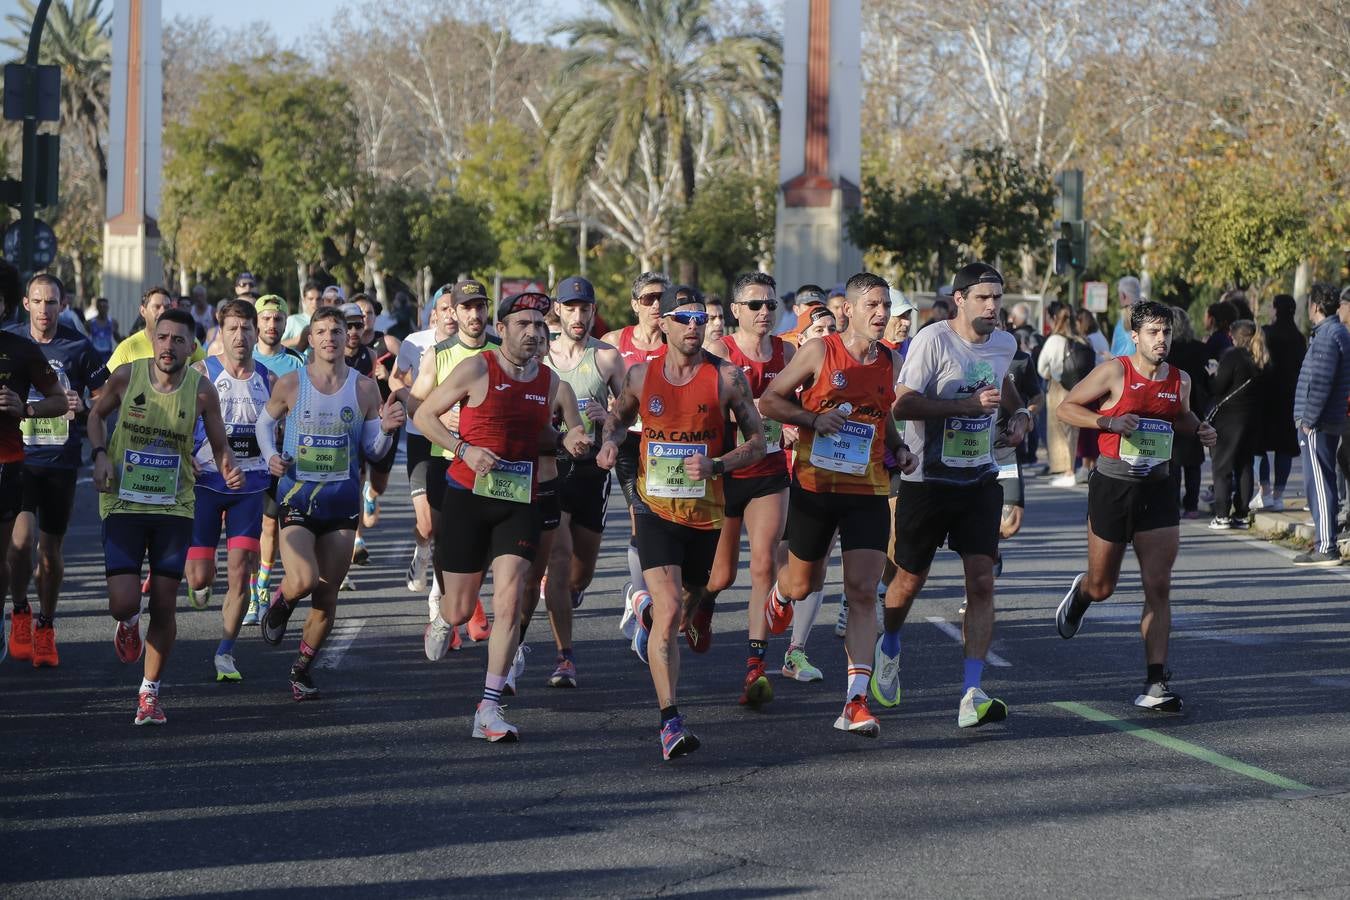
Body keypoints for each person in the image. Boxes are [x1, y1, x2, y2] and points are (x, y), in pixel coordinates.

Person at [597, 284, 765, 759]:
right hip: (654, 506)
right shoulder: (640, 376)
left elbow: (758, 442)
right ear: (664, 323)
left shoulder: (727, 377)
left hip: (706, 514)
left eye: (700, 319)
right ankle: (670, 721)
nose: (694, 327)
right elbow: (617, 419)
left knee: (688, 602)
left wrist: (717, 465)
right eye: (684, 319)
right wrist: (609, 442)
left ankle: (650, 612)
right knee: (670, 613)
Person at [418, 291, 589, 742]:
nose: (533, 333)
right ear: (503, 328)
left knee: (510, 601)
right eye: (523, 324)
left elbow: (557, 431)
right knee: (460, 609)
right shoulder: (477, 368)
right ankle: (443, 618)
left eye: (539, 326)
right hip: (467, 497)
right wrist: (463, 449)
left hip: (519, 499)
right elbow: (424, 415)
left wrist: (570, 440)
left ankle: (488, 708)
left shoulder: (550, 382)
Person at [759, 272, 914, 739]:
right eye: (872, 305)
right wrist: (811, 419)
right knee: (804, 583)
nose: (881, 314)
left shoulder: (890, 360)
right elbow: (769, 401)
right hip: (816, 488)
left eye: (886, 305)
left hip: (868, 489)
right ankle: (780, 595)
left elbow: (882, 414)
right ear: (848, 308)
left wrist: (899, 447)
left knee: (863, 592)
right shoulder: (819, 352)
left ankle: (855, 701)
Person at [874, 263, 1027, 729]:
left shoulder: (1004, 344)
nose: (992, 306)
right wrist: (965, 405)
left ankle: (971, 692)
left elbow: (1003, 383)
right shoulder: (932, 340)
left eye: (997, 297)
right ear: (959, 299)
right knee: (908, 581)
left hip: (979, 479)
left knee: (981, 582)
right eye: (983, 297)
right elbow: (902, 404)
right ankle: (889, 644)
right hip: (927, 481)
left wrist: (1020, 415)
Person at [1053, 299, 1216, 711]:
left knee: (1158, 585)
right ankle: (1082, 594)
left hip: (1158, 488)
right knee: (1103, 586)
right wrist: (1107, 421)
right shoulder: (1115, 372)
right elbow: (1066, 408)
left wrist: (1200, 429)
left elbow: (1181, 417)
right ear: (1136, 336)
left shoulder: (1180, 379)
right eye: (1153, 333)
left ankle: (1156, 682)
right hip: (1113, 486)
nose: (1162, 340)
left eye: (1167, 332)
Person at [88, 308, 243, 724]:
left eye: (178, 340)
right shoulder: (128, 376)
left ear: (192, 347)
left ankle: (149, 692)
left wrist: (228, 464)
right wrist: (100, 454)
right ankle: (128, 622)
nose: (168, 346)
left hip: (174, 506)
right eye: (162, 337)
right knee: (122, 602)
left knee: (164, 604)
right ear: (152, 339)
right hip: (123, 501)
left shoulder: (202, 391)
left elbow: (220, 445)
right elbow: (96, 416)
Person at [255, 306, 406, 700]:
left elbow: (373, 450)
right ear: (311, 339)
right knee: (304, 579)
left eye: (336, 331)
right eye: (321, 331)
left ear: (346, 337)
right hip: (296, 498)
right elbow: (264, 423)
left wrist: (387, 431)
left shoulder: (365, 388)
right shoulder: (292, 383)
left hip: (341, 505)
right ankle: (284, 599)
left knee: (326, 595)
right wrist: (270, 456)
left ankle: (301, 670)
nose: (329, 338)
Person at [699, 272, 800, 702]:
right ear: (736, 309)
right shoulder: (719, 351)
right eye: (755, 305)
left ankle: (755, 666)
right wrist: (755, 408)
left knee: (763, 565)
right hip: (725, 472)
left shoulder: (788, 351)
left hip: (769, 470)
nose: (764, 312)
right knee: (721, 576)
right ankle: (704, 602)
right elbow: (705, 408)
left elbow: (801, 403)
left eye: (771, 305)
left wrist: (793, 421)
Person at [4, 274, 109, 667]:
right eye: (37, 301)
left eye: (51, 302)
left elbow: (103, 399)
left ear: (63, 305)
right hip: (19, 459)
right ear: (25, 303)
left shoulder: (78, 346)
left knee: (49, 553)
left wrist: (83, 408)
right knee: (19, 543)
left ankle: (46, 625)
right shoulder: (12, 342)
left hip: (60, 462)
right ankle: (19, 611)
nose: (44, 310)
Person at [182, 299, 276, 682]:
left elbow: (280, 430)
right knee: (199, 578)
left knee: (240, 571)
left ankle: (225, 651)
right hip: (206, 484)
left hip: (249, 488)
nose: (239, 336)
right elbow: (178, 420)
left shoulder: (269, 379)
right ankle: (201, 578)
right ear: (220, 332)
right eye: (232, 328)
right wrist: (185, 455)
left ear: (256, 332)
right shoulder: (201, 373)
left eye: (245, 328)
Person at [539, 276, 625, 687]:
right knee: (558, 559)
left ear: (593, 311)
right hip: (550, 466)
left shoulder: (606, 357)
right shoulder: (540, 354)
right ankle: (565, 657)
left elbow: (628, 416)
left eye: (584, 308)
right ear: (557, 309)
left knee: (580, 573)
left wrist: (608, 422)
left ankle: (572, 592)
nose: (578, 316)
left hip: (591, 472)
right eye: (570, 308)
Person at [408, 280, 499, 638]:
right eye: (466, 307)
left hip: (492, 461)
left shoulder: (501, 350)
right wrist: (441, 413)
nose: (474, 314)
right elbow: (415, 404)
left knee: (487, 541)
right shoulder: (438, 354)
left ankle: (468, 600)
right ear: (454, 313)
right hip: (446, 459)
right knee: (445, 541)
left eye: (480, 306)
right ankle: (450, 612)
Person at [600, 273, 670, 625]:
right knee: (638, 516)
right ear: (634, 304)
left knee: (665, 519)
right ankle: (642, 599)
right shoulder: (614, 342)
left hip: (668, 444)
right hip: (630, 440)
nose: (656, 305)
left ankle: (647, 591)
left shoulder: (676, 341)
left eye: (661, 298)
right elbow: (594, 381)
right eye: (648, 299)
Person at [388, 285, 457, 600]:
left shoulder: (480, 347)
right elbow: (395, 378)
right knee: (427, 525)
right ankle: (422, 553)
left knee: (450, 524)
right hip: (421, 438)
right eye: (444, 309)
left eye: (456, 308)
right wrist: (414, 403)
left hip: (458, 442)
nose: (451, 314)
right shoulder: (415, 343)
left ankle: (438, 594)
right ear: (434, 315)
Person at [245, 296, 306, 624]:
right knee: (246, 528)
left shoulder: (296, 361)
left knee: (269, 524)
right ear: (257, 322)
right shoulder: (244, 355)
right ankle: (250, 587)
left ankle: (261, 589)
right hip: (244, 455)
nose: (272, 325)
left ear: (285, 323)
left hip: (280, 455)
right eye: (266, 318)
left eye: (278, 319)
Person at [1291, 283, 1350, 566]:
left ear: (1314, 305)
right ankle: (1325, 542)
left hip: (1319, 422)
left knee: (1319, 483)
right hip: (1328, 419)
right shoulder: (1336, 332)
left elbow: (1322, 382)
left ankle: (1326, 546)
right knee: (1322, 480)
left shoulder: (1327, 335)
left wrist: (1309, 420)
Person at [1206, 320, 1267, 530]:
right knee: (1244, 466)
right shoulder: (1261, 358)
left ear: (1235, 337)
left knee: (1222, 467)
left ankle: (1222, 514)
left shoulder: (1232, 356)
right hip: (1252, 418)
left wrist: (1212, 374)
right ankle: (1241, 514)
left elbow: (1218, 386)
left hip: (1229, 419)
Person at [1253, 294, 1305, 512]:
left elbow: (1257, 360)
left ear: (1275, 309)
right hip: (1289, 397)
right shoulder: (1298, 337)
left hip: (1265, 396)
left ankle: (1264, 491)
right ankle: (1279, 495)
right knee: (1284, 447)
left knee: (1258, 445)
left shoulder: (1266, 332)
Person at [1165, 307, 1209, 519]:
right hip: (1194, 406)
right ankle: (1191, 505)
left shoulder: (1166, 351)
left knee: (1172, 460)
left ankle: (1172, 503)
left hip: (1169, 406)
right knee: (1193, 461)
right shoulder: (1200, 349)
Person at [107, 287, 207, 372]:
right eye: (157, 307)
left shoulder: (187, 340)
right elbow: (105, 382)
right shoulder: (128, 347)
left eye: (167, 307)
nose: (163, 312)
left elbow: (209, 368)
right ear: (143, 311)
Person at [1037, 305, 1084, 480]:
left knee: (1057, 429)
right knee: (1074, 428)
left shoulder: (1054, 340)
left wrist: (1049, 375)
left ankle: (1062, 467)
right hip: (1079, 387)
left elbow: (1041, 366)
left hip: (1058, 386)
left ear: (1056, 320)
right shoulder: (1081, 339)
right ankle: (1074, 464)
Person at [282, 281, 322, 351]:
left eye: (318, 299)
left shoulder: (326, 322)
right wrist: (297, 340)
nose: (315, 303)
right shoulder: (293, 320)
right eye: (311, 299)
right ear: (304, 300)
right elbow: (276, 345)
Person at [1111, 276, 1140, 357]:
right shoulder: (1146, 316)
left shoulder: (1124, 320)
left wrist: (1109, 357)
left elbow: (1126, 353)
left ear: (1123, 296)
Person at [87, 296, 120, 362]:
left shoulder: (113, 322)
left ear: (108, 308)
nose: (103, 309)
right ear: (97, 308)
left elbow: (117, 339)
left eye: (104, 306)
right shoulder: (90, 323)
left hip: (107, 355)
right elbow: (85, 338)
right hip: (95, 355)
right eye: (100, 306)